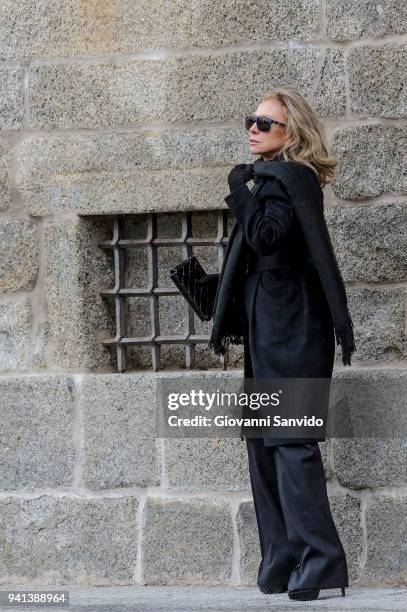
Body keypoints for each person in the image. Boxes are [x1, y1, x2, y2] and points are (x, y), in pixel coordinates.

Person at [208, 88, 355, 602]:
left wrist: (238, 190)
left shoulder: (290, 178)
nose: (252, 128)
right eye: (250, 120)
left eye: (264, 123)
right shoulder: (274, 179)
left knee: (291, 445)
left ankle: (319, 562)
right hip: (269, 326)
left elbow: (268, 239)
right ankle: (283, 560)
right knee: (263, 447)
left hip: (292, 328)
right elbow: (265, 252)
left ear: (291, 132)